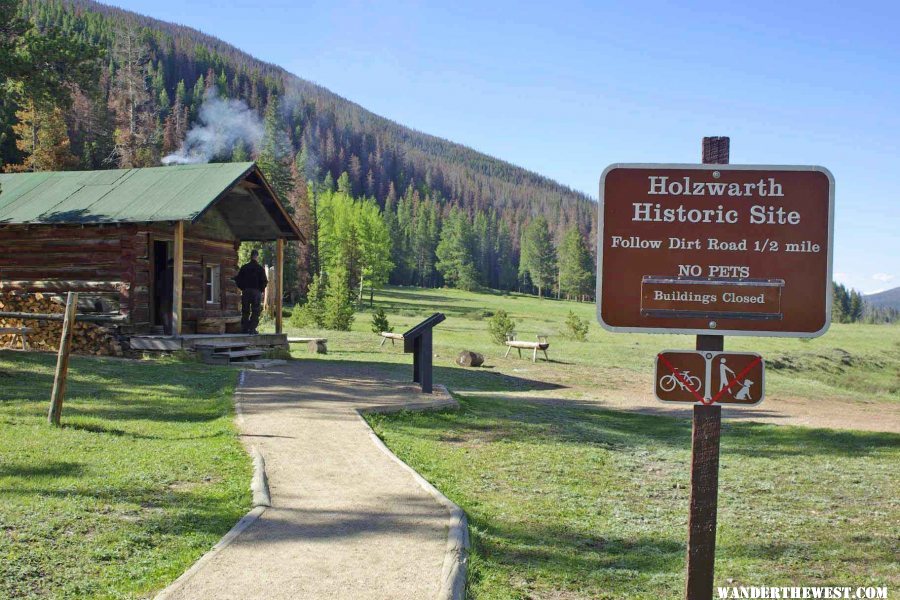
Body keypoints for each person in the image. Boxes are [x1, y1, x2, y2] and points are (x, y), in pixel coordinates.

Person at [235, 249, 268, 334]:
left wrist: (243, 288)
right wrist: (260, 290)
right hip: (256, 292)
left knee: (245, 310)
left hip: (246, 291)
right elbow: (264, 281)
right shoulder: (260, 269)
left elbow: (238, 279)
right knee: (255, 310)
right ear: (257, 256)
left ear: (251, 256)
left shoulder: (244, 267)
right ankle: (252, 329)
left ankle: (245, 328)